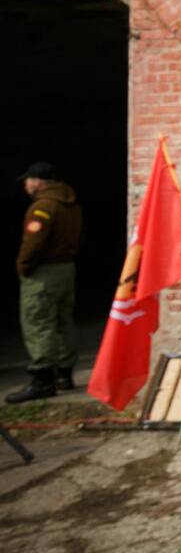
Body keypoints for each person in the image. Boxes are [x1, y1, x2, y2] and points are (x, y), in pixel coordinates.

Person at [8, 162, 83, 404]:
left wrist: (23, 265)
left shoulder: (42, 207)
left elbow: (33, 241)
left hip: (44, 272)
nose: (25, 185)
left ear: (38, 182)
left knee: (39, 321)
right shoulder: (71, 204)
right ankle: (64, 373)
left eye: (28, 180)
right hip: (66, 268)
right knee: (63, 320)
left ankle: (43, 379)